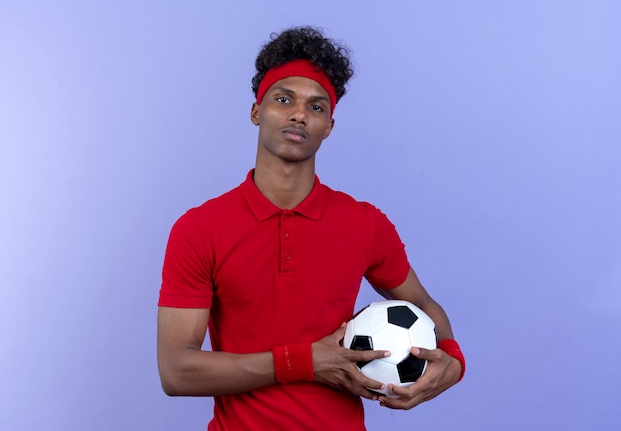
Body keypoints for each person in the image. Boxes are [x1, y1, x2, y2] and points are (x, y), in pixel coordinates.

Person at [157, 26, 465, 431]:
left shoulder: (364, 224)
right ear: (256, 111)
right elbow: (176, 371)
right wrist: (304, 362)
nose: (299, 113)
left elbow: (426, 307)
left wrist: (453, 363)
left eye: (316, 107)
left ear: (329, 126)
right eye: (283, 99)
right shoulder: (199, 229)